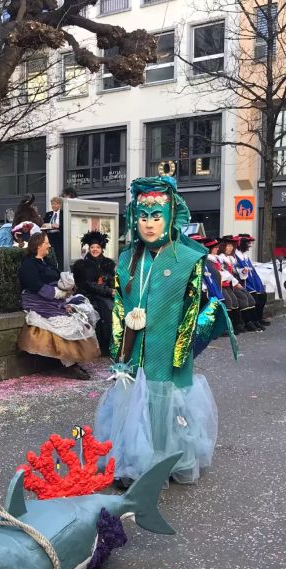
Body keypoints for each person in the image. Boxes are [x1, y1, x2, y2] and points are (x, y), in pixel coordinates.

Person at [96, 176, 234, 486]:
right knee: (132, 405)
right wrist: (119, 351)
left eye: (156, 217)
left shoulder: (188, 259)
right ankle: (132, 461)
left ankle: (162, 461)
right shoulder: (127, 258)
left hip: (167, 349)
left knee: (161, 407)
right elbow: (118, 305)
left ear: (170, 217)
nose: (149, 224)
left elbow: (191, 309)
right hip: (133, 353)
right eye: (143, 217)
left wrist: (180, 351)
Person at [17, 231, 99, 379]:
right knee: (65, 326)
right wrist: (56, 294)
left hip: (55, 301)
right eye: (46, 242)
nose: (49, 245)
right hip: (39, 302)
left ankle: (73, 362)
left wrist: (66, 289)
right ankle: (70, 365)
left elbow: (58, 277)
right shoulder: (28, 265)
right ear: (38, 245)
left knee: (81, 315)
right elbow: (35, 285)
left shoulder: (47, 261)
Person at [71, 231, 116, 355]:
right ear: (89, 248)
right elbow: (88, 284)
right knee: (99, 311)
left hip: (105, 295)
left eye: (97, 247)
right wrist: (108, 291)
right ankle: (96, 347)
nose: (95, 249)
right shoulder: (82, 265)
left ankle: (109, 346)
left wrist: (111, 287)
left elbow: (113, 280)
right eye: (92, 247)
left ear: (102, 249)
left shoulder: (109, 263)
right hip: (89, 295)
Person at [219, 237, 260, 332]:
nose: (230, 248)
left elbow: (235, 272)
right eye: (227, 246)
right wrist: (235, 282)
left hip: (233, 283)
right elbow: (223, 273)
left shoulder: (231, 259)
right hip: (227, 284)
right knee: (239, 299)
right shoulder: (221, 258)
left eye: (231, 246)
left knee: (250, 299)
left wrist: (243, 271)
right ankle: (240, 323)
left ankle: (249, 322)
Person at [234, 233, 270, 329]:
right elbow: (236, 271)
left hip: (251, 279)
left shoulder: (244, 255)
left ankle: (258, 318)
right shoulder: (235, 256)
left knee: (262, 295)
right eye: (248, 243)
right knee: (253, 297)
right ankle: (251, 321)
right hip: (243, 281)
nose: (250, 245)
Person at [43, 196, 65, 264]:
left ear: (59, 204)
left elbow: (66, 226)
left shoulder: (64, 214)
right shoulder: (48, 214)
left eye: (55, 204)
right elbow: (44, 225)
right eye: (52, 204)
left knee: (59, 256)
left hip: (59, 237)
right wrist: (50, 225)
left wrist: (58, 226)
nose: (53, 206)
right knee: (49, 256)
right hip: (50, 237)